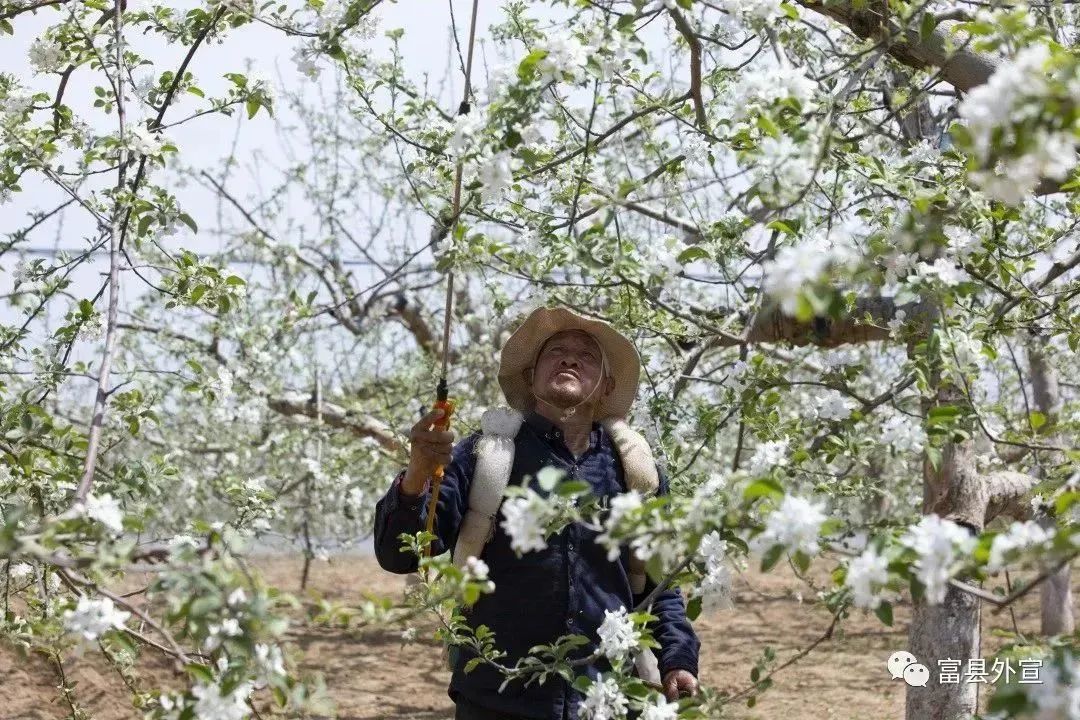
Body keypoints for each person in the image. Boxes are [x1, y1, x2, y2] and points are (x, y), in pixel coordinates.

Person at [373, 306, 700, 720]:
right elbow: (399, 555)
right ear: (530, 377)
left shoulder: (635, 471)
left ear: (607, 386)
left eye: (586, 356)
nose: (569, 359)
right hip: (498, 700)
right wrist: (417, 477)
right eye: (555, 351)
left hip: (607, 699)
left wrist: (678, 659)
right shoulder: (484, 456)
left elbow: (661, 583)